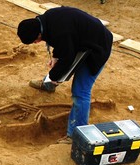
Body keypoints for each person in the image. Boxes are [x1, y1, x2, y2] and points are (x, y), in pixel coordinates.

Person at [17, 7, 113, 144]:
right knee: (57, 68)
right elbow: (62, 42)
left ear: (38, 33)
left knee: (80, 92)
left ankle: (76, 135)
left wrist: (55, 76)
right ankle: (48, 85)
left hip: (97, 47)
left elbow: (68, 57)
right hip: (81, 40)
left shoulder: (60, 31)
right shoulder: (46, 19)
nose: (37, 42)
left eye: (35, 40)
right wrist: (56, 58)